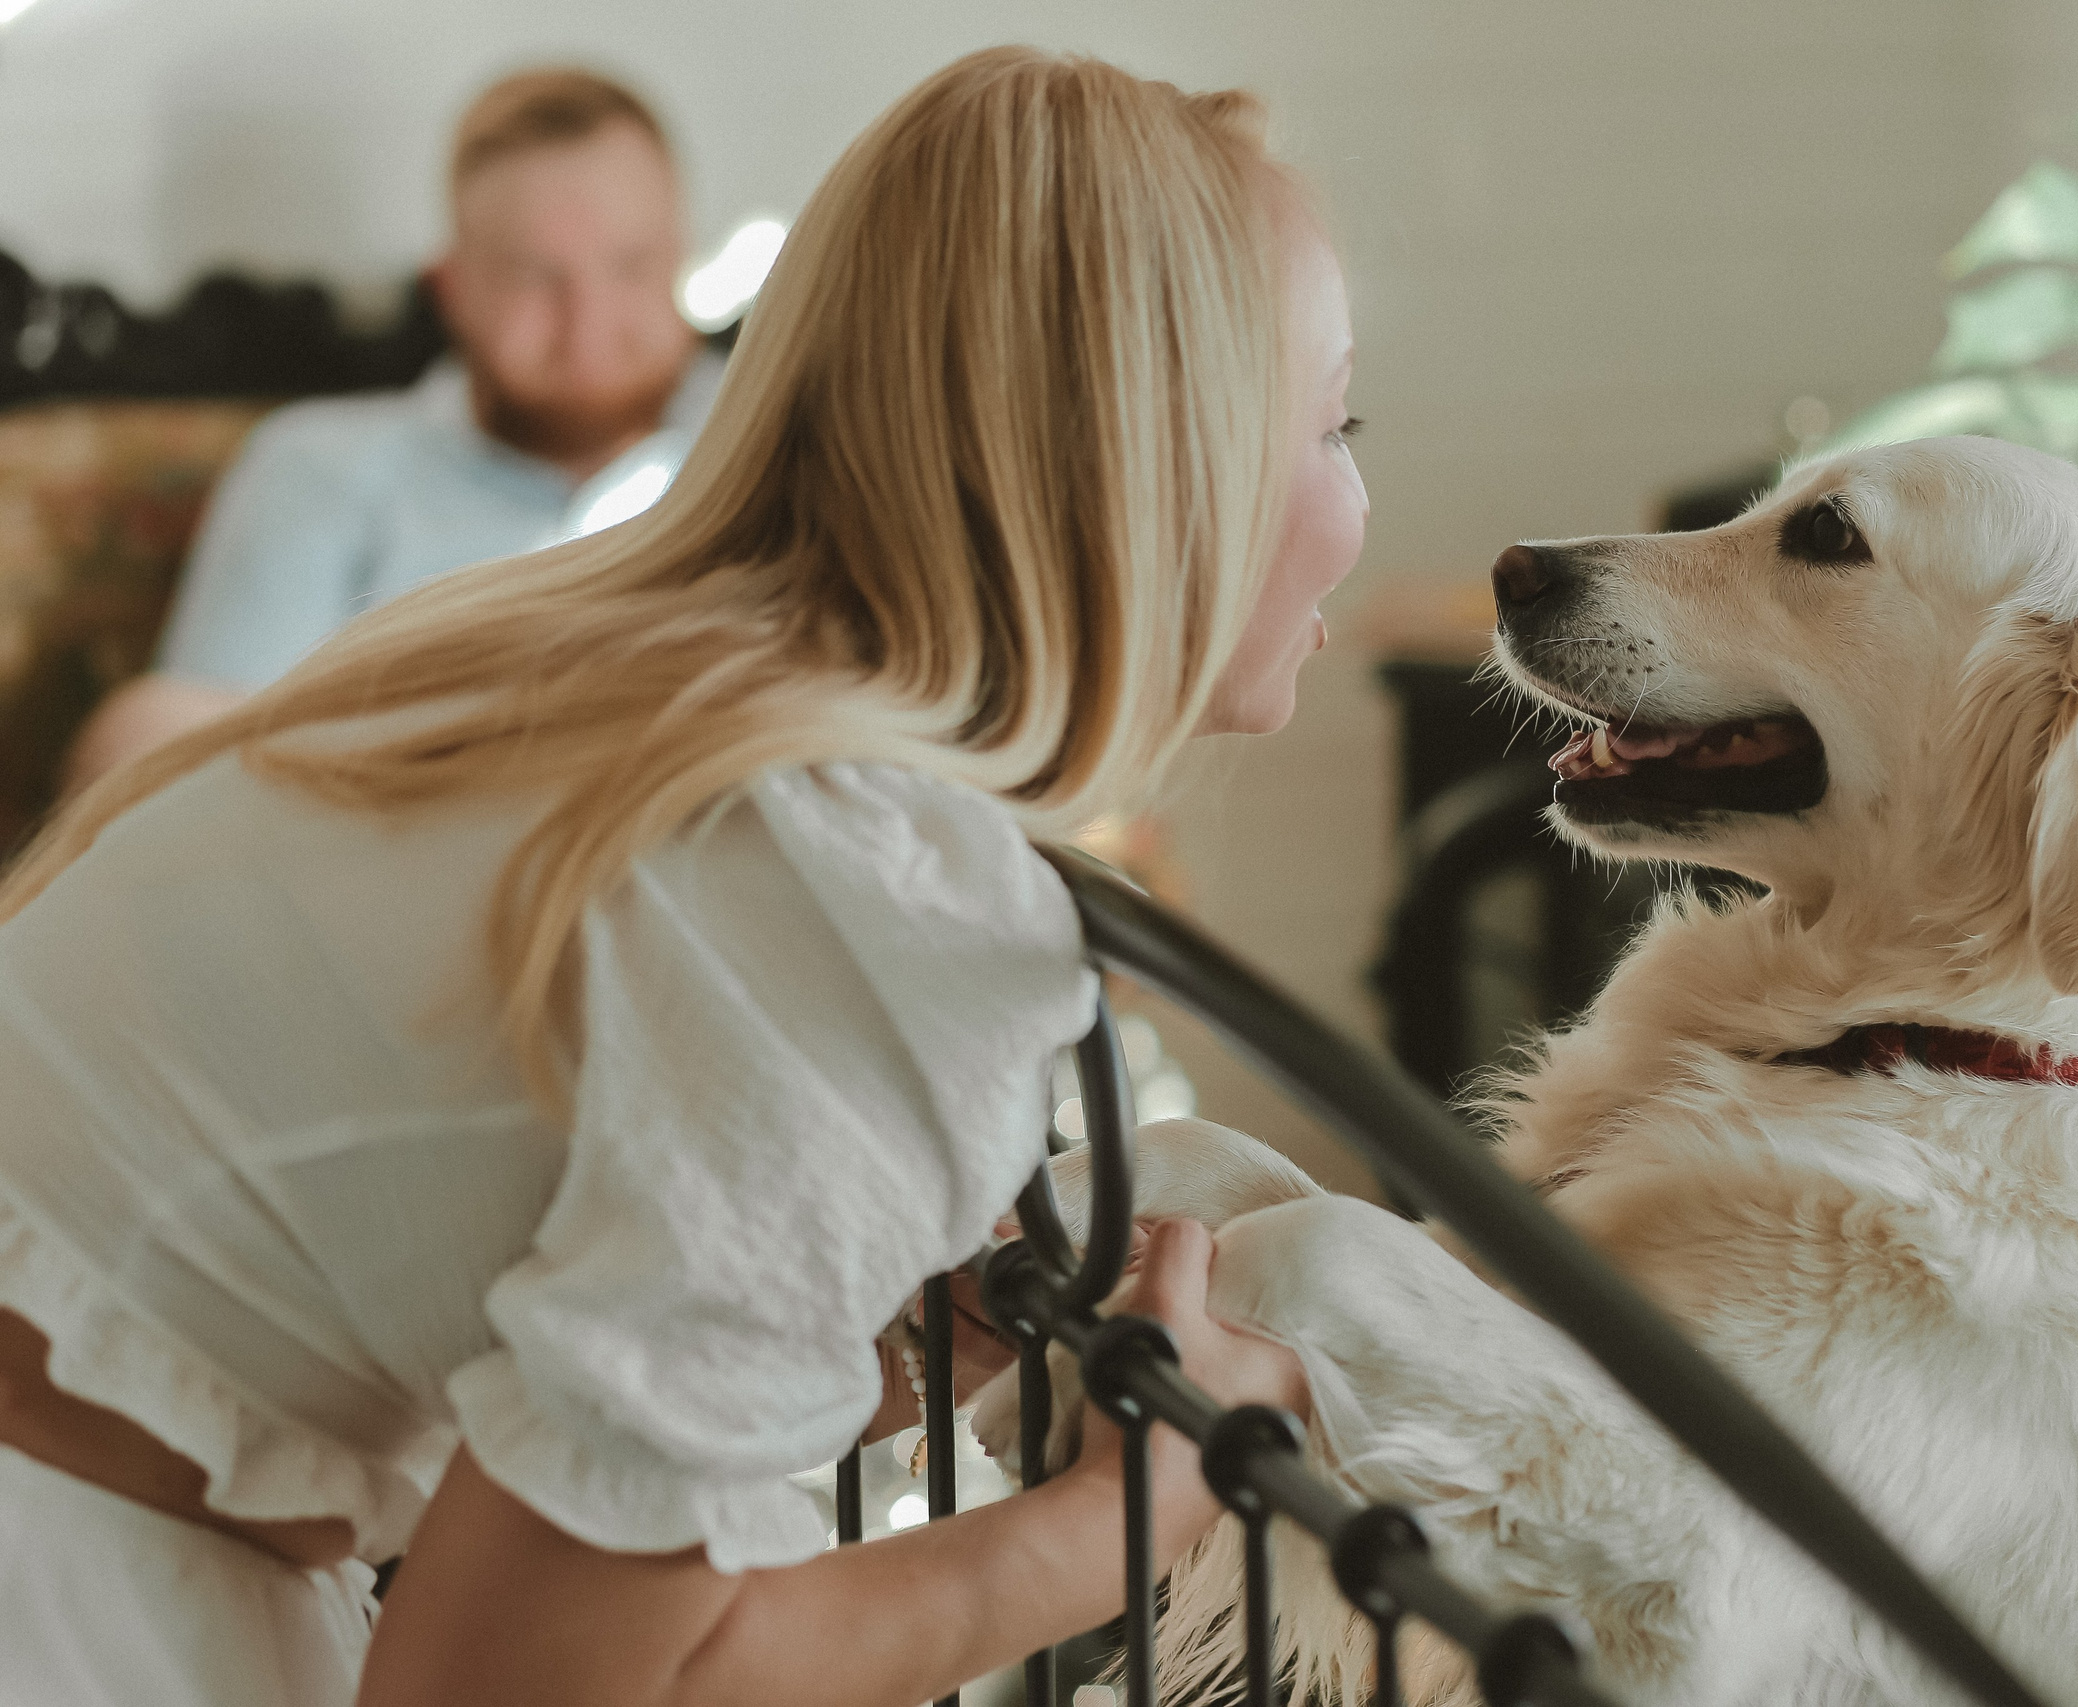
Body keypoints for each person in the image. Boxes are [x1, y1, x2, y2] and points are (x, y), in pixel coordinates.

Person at [0, 45, 1365, 1707]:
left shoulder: (634, 689)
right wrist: (1127, 1513)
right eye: (1336, 420)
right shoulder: (866, 898)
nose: (1359, 501)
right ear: (1176, 467)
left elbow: (489, 1229)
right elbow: (514, 1687)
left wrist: (854, 1336)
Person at [63, 68, 723, 794]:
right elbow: (178, 774)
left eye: (631, 266)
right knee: (140, 729)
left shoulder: (789, 441)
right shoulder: (322, 464)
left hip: (711, 835)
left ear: (682, 257)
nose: (587, 322)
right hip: (402, 848)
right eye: (536, 277)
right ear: (452, 289)